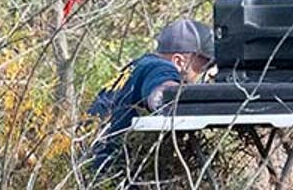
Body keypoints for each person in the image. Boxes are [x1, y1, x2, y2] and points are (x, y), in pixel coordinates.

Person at [84, 18, 215, 175]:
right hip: (107, 174)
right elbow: (162, 94)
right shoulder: (160, 67)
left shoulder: (139, 65)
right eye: (205, 66)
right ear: (179, 61)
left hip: (87, 166)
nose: (208, 72)